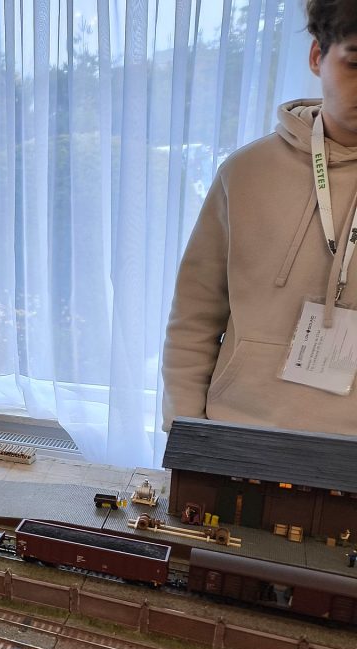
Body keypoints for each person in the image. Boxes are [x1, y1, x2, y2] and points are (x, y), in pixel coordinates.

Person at [162, 0, 357, 435]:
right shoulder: (245, 173)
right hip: (236, 436)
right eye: (355, 64)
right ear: (317, 56)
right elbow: (194, 319)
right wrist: (187, 436)